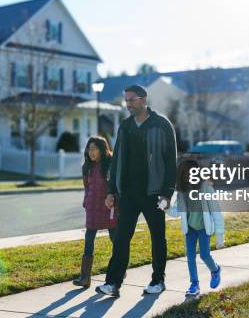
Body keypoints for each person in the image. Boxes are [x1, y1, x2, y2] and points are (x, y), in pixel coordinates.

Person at [95, 84, 177, 298]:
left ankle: (158, 280)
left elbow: (171, 161)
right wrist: (112, 191)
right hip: (128, 194)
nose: (127, 104)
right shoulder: (125, 126)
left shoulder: (162, 125)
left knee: (158, 238)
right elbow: (117, 160)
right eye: (126, 100)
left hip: (154, 193)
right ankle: (113, 283)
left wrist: (168, 193)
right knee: (121, 238)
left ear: (143, 99)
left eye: (131, 100)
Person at [168, 159, 224, 296]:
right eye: (185, 174)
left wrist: (220, 236)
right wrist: (166, 207)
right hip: (190, 229)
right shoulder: (182, 191)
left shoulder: (206, 188)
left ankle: (215, 270)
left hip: (204, 227)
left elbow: (216, 212)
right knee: (190, 257)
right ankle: (194, 284)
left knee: (204, 255)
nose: (188, 176)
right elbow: (176, 212)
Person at [73, 136, 118, 288]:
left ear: (102, 149)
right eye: (89, 149)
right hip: (92, 207)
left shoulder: (111, 164)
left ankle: (119, 268)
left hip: (109, 206)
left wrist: (114, 201)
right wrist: (86, 201)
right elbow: (86, 186)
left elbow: (115, 185)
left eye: (94, 149)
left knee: (115, 238)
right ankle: (85, 277)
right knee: (89, 238)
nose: (91, 152)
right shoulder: (87, 167)